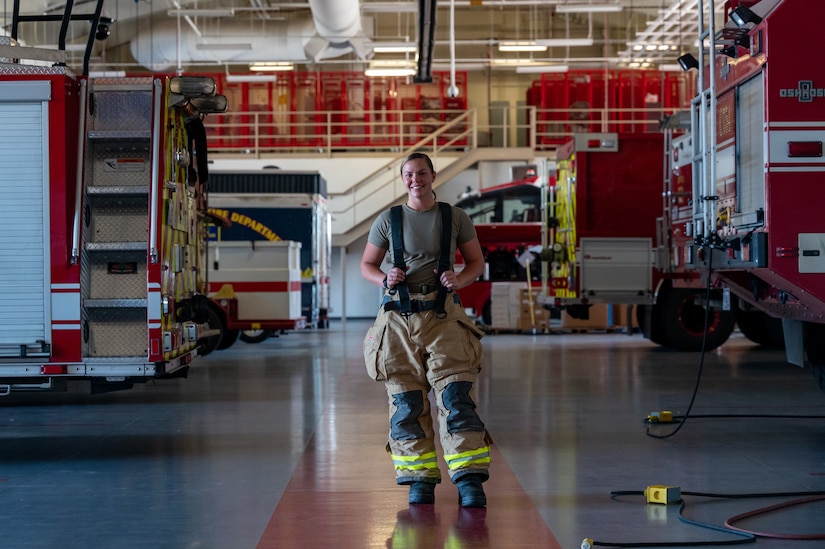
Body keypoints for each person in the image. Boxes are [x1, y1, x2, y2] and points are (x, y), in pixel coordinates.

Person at [361, 152, 491, 507]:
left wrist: (460, 278)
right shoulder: (388, 220)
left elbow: (476, 262)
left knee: (457, 398)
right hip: (398, 323)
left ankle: (468, 481)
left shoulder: (456, 217)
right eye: (408, 174)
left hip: (444, 316)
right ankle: (419, 480)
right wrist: (384, 277)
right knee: (406, 403)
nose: (415, 179)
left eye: (421, 172)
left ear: (433, 175)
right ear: (402, 179)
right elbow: (367, 265)